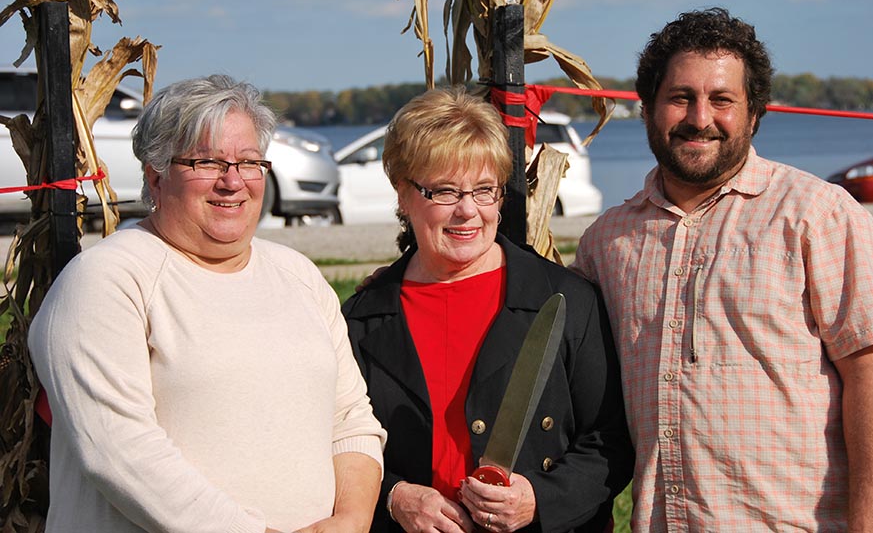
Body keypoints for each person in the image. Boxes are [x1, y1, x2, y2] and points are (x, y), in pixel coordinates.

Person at [572, 7, 873, 530]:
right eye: (680, 97)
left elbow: (872, 376)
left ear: (753, 115)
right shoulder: (604, 244)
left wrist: (872, 522)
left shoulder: (819, 214)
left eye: (722, 99)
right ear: (649, 108)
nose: (700, 118)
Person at [27, 75, 386, 533]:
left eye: (249, 162)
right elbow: (119, 452)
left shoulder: (298, 276)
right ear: (155, 178)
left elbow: (351, 418)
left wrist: (352, 520)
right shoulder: (106, 280)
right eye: (206, 162)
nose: (232, 182)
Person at [342, 86, 634, 533]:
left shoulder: (565, 300)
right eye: (443, 192)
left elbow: (612, 438)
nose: (468, 212)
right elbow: (335, 443)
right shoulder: (361, 318)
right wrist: (394, 496)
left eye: (484, 190)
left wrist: (540, 500)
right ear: (403, 193)